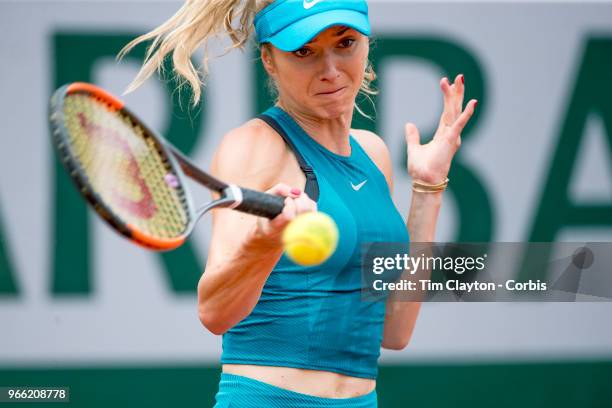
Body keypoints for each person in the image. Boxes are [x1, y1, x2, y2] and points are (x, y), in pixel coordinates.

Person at [121, 0, 477, 406]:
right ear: (269, 60)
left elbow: (395, 330)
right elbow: (214, 312)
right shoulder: (254, 147)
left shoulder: (373, 154)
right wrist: (265, 242)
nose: (329, 69)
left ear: (366, 43)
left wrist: (428, 188)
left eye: (345, 43)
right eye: (303, 52)